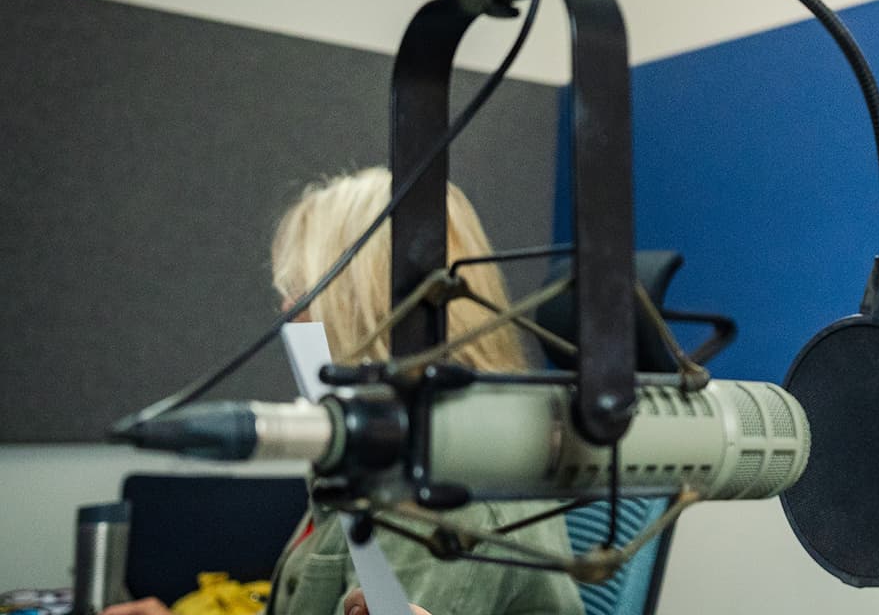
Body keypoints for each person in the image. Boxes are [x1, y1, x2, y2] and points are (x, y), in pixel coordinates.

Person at [106, 167, 584, 615]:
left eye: (299, 295)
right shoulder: (389, 453)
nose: (287, 312)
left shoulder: (435, 494)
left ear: (357, 307)